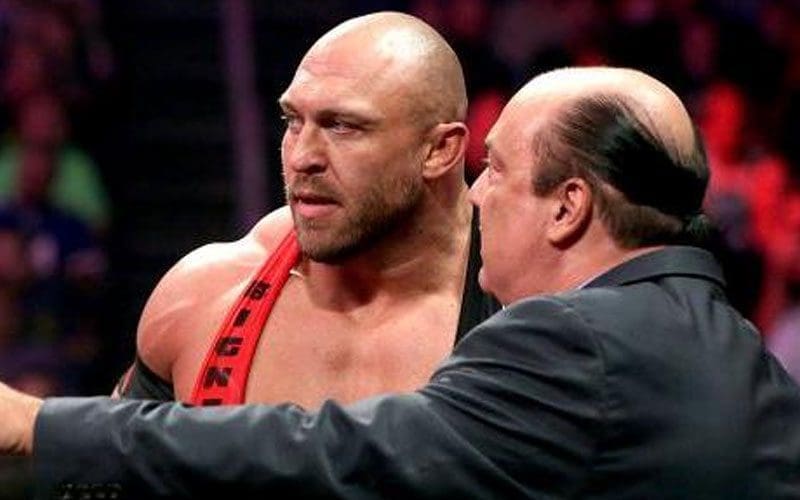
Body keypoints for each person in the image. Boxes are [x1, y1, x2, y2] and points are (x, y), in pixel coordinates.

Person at [1, 66, 800, 499]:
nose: (479, 195)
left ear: (568, 207)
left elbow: (338, 454)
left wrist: (44, 426)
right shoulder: (738, 351)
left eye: (496, 169)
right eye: (291, 121)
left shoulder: (571, 342)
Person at [112, 12, 499, 408]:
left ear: (439, 150)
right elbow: (112, 446)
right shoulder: (203, 298)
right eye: (293, 121)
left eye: (342, 126)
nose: (301, 157)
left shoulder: (520, 303)